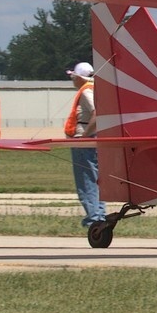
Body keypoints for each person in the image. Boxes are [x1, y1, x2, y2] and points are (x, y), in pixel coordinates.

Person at [64, 61, 106, 228]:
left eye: (74, 76)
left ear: (80, 77)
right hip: (91, 140)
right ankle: (98, 215)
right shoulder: (95, 89)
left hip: (85, 141)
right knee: (94, 179)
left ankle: (94, 217)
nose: (73, 80)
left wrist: (86, 135)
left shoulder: (87, 90)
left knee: (86, 180)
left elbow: (97, 113)